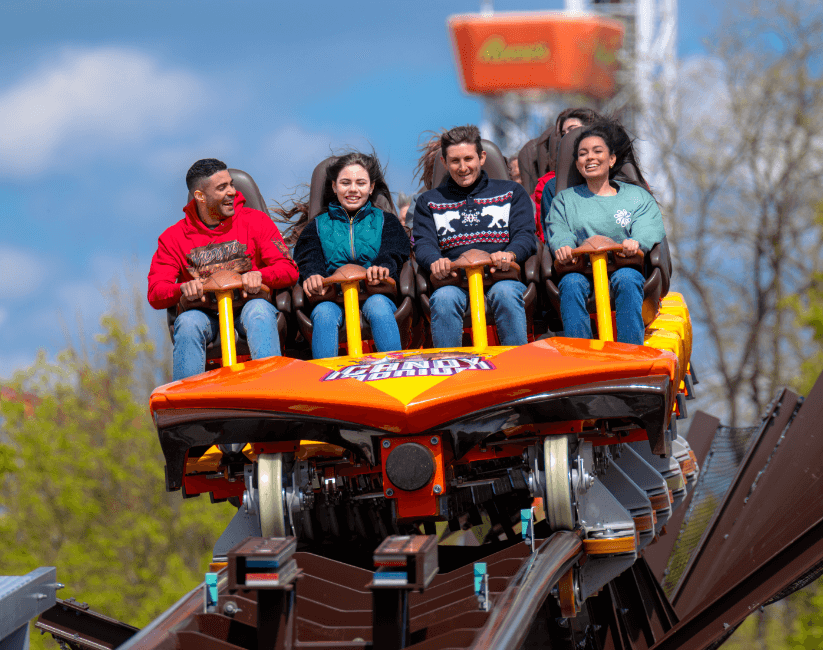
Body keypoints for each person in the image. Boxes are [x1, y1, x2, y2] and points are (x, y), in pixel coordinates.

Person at [148, 159, 298, 380]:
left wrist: (260, 275)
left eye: (231, 184)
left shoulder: (256, 221)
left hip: (249, 304)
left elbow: (288, 269)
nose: (232, 193)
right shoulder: (173, 238)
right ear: (200, 196)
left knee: (258, 312)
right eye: (222, 188)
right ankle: (190, 402)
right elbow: (156, 292)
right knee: (188, 323)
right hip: (205, 314)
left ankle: (272, 385)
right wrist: (183, 288)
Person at [413, 125, 537, 348]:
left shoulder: (511, 192)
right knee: (443, 299)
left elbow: (525, 235)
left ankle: (518, 366)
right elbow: (424, 243)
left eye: (468, 159)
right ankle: (450, 372)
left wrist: (510, 253)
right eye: (454, 161)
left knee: (506, 294)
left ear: (481, 157)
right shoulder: (428, 202)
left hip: (501, 275)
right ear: (444, 162)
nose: (463, 168)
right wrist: (435, 261)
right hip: (454, 281)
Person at [546, 120, 664, 345]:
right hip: (582, 271)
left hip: (623, 266)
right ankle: (580, 354)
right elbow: (558, 228)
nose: (589, 157)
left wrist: (637, 242)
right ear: (577, 164)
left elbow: (648, 226)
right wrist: (563, 245)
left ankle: (630, 351)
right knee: (570, 284)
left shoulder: (636, 197)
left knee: (628, 279)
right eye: (582, 154)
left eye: (597, 151)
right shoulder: (565, 199)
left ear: (611, 159)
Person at [291, 152, 410, 359]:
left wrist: (383, 265)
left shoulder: (387, 222)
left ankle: (393, 367)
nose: (353, 189)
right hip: (332, 297)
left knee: (379, 307)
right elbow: (308, 257)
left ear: (371, 187)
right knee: (324, 315)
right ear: (334, 186)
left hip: (374, 292)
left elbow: (395, 249)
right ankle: (326, 379)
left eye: (361, 183)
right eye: (345, 183)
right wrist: (313, 274)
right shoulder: (316, 227)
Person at [535, 107, 602, 239]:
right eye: (563, 134)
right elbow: (549, 236)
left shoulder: (625, 183)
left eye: (572, 130)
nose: (567, 137)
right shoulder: (551, 186)